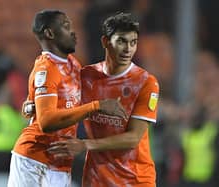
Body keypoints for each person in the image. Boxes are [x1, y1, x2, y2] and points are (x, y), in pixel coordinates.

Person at [7, 9, 126, 187]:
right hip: (35, 159)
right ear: (49, 33)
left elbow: (38, 107)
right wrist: (95, 106)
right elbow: (47, 122)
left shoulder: (72, 63)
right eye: (65, 26)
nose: (73, 31)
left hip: (60, 162)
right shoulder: (46, 69)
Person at [48, 12, 160, 187]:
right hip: (96, 180)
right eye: (121, 41)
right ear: (105, 42)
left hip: (135, 180)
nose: (128, 49)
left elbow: (133, 138)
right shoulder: (86, 77)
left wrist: (85, 145)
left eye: (133, 42)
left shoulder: (146, 82)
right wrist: (36, 104)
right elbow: (62, 106)